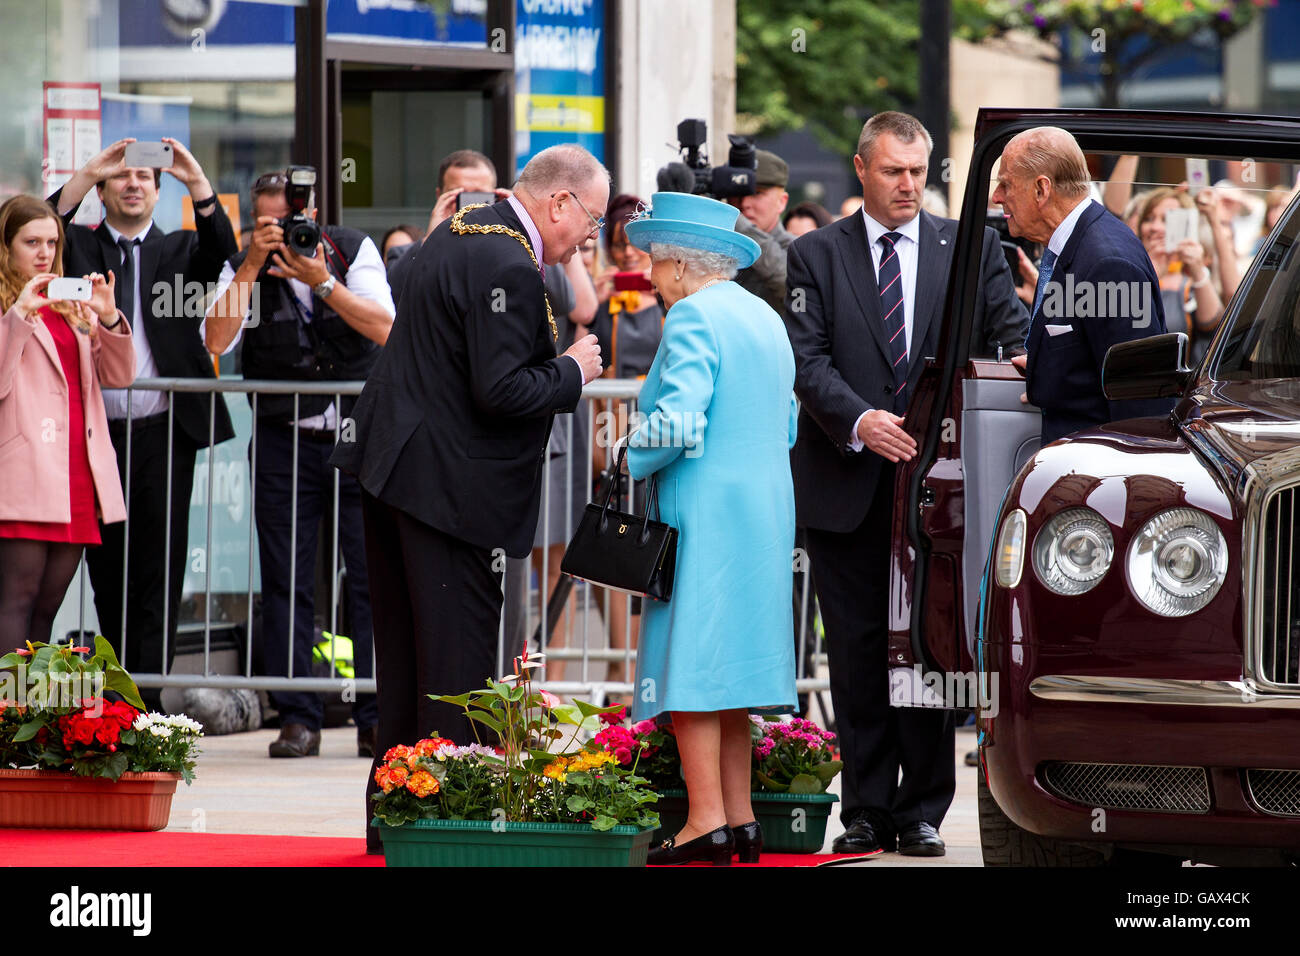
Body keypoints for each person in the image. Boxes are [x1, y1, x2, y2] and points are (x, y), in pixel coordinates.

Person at [329, 144, 607, 853]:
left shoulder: (457, 229)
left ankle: (390, 819)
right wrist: (573, 371)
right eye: (592, 221)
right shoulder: (509, 263)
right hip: (443, 489)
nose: (590, 239)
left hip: (394, 471)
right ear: (559, 203)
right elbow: (502, 390)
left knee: (405, 664)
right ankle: (444, 825)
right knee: (454, 668)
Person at [785, 111, 1028, 859]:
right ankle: (865, 808)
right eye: (893, 171)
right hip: (848, 482)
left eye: (919, 172)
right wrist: (860, 421)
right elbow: (807, 357)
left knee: (932, 648)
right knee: (857, 654)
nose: (908, 186)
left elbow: (1010, 337)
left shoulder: (972, 249)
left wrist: (1021, 369)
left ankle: (922, 806)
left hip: (937, 493)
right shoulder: (816, 255)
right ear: (861, 168)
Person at [619, 191, 798, 866]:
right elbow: (787, 424)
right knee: (734, 670)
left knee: (690, 664)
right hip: (763, 506)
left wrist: (627, 450)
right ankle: (740, 820)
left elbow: (679, 421)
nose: (652, 277)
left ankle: (705, 822)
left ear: (681, 264)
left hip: (704, 507)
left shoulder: (692, 315)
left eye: (656, 263)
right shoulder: (766, 318)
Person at [203, 170, 394, 759]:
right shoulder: (243, 265)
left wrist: (324, 282)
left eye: (288, 221)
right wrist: (251, 266)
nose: (282, 232)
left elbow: (386, 328)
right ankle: (298, 716)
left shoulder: (352, 248)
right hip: (285, 440)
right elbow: (215, 339)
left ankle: (375, 713)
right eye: (268, 223)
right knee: (286, 579)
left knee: (371, 580)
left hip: (360, 439)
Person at [50, 137, 237, 708]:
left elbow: (222, 248)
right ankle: (115, 695)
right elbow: (39, 225)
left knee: (160, 567)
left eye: (145, 179)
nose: (134, 184)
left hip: (164, 431)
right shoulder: (78, 247)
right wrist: (86, 172)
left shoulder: (181, 250)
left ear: (158, 192)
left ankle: (147, 705)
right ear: (104, 191)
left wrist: (197, 179)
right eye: (122, 177)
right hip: (95, 436)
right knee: (108, 565)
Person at [0, 195, 135, 644]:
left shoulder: (67, 304)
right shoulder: (9, 308)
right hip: (22, 472)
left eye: (51, 242)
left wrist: (108, 316)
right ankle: (9, 713)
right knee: (15, 601)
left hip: (75, 472)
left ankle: (30, 712)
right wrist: (19, 314)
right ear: (6, 246)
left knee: (46, 610)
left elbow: (119, 376)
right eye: (31, 241)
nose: (43, 252)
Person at [993, 126, 1174, 446]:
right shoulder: (1075, 246)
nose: (997, 197)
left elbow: (1140, 409)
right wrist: (1043, 366)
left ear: (1041, 190)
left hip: (1099, 480)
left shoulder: (1108, 262)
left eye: (1006, 184)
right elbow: (1086, 355)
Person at [386, 149, 511, 305]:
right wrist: (430, 241)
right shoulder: (404, 253)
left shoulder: (512, 249)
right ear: (440, 196)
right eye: (459, 195)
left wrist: (519, 222)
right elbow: (392, 297)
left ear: (496, 198)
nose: (469, 207)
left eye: (479, 196)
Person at [1132, 187, 1223, 362]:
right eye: (1149, 219)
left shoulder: (1192, 277)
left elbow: (1212, 326)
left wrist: (1197, 268)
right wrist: (1149, 273)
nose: (1155, 227)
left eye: (1166, 220)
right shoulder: (1128, 268)